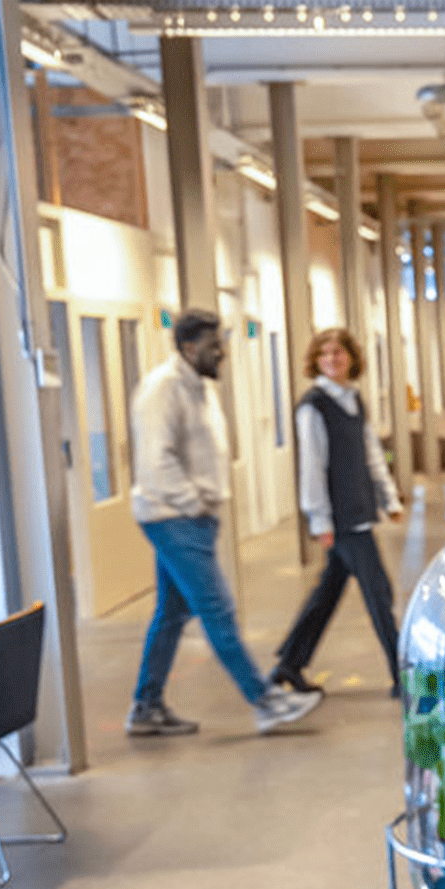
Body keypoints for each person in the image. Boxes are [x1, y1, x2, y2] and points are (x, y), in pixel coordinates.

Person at [126, 309, 325, 736]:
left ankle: (146, 705)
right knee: (217, 608)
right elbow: (155, 459)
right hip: (174, 517)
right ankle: (265, 700)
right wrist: (192, 501)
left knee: (170, 614)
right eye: (215, 345)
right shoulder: (162, 390)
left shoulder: (200, 387)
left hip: (195, 517)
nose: (223, 353)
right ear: (189, 347)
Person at [270, 328, 405, 697]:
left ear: (351, 358)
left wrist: (389, 498)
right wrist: (319, 520)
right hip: (342, 517)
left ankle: (289, 665)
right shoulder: (313, 406)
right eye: (324, 353)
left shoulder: (354, 399)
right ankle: (401, 674)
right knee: (378, 592)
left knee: (327, 594)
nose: (332, 359)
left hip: (361, 508)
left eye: (339, 352)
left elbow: (371, 453)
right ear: (315, 360)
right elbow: (312, 467)